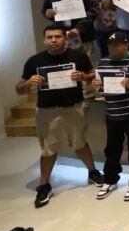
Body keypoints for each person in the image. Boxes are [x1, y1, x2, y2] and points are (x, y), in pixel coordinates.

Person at [15, 26, 103, 208]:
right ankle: (44, 185)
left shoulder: (78, 56)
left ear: (65, 39)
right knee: (48, 148)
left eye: (57, 37)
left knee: (80, 142)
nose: (53, 40)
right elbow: (19, 89)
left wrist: (83, 76)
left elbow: (93, 75)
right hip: (47, 111)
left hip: (74, 107)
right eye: (49, 37)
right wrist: (29, 82)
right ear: (44, 40)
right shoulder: (34, 61)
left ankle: (93, 172)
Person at [91, 32, 129, 201]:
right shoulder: (103, 62)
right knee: (112, 149)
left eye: (116, 45)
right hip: (113, 114)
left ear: (126, 45)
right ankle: (110, 179)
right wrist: (96, 85)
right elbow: (101, 89)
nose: (113, 48)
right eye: (110, 45)